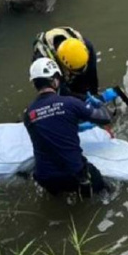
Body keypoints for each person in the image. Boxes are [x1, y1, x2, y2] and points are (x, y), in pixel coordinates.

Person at [23, 58, 113, 197]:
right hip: (74, 173)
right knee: (106, 192)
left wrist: (73, 127)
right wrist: (99, 105)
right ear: (55, 79)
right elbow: (106, 118)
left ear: (34, 83)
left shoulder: (28, 113)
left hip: (44, 177)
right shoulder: (70, 102)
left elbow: (48, 131)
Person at [32, 27, 99, 98]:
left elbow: (92, 74)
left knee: (84, 86)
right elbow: (61, 91)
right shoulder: (45, 61)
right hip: (51, 69)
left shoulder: (86, 46)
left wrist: (95, 95)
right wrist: (85, 99)